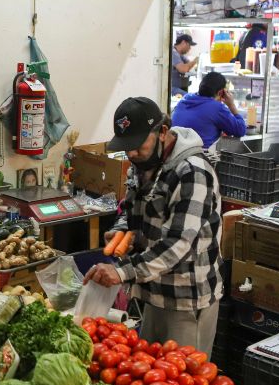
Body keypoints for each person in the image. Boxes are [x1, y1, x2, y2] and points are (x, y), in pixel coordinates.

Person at [84, 97, 223, 356]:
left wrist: (123, 272)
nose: (132, 153)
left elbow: (177, 245)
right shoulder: (142, 166)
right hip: (153, 294)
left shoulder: (192, 173)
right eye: (127, 147)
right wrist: (122, 230)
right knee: (149, 377)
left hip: (186, 300)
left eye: (137, 145)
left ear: (161, 132)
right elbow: (129, 208)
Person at [171, 72, 247, 149]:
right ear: (221, 92)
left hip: (176, 154)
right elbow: (240, 130)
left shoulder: (185, 99)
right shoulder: (216, 107)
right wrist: (231, 105)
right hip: (198, 157)